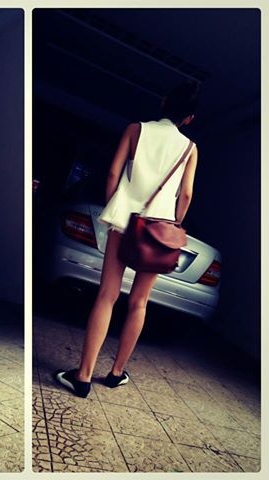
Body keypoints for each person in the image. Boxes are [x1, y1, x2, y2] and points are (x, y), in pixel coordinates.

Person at [54, 81, 200, 398]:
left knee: (107, 295)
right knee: (139, 302)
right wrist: (172, 224)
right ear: (189, 118)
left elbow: (112, 174)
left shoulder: (136, 130)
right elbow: (186, 194)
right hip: (159, 230)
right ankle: (116, 373)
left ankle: (82, 376)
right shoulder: (190, 149)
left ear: (164, 101)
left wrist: (116, 209)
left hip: (124, 222)